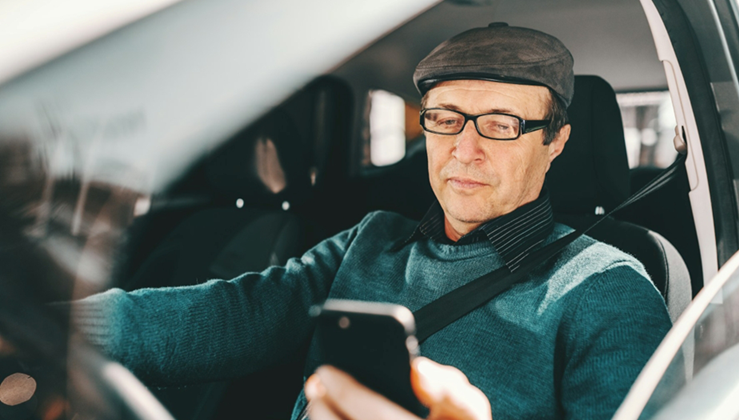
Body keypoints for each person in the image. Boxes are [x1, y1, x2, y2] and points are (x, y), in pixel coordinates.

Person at [71, 24, 671, 420]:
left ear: (556, 140)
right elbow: (234, 312)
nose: (465, 149)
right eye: (446, 118)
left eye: (500, 123)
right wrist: (57, 331)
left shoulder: (605, 288)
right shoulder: (372, 240)